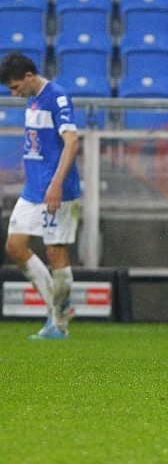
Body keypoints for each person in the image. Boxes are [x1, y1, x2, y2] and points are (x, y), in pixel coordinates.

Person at [0, 51, 80, 339]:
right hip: (33, 190)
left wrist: (56, 183)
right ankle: (59, 306)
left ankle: (58, 323)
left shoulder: (57, 97)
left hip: (56, 190)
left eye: (15, 86)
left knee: (55, 251)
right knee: (15, 246)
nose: (13, 92)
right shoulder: (32, 98)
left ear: (29, 77)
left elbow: (71, 142)